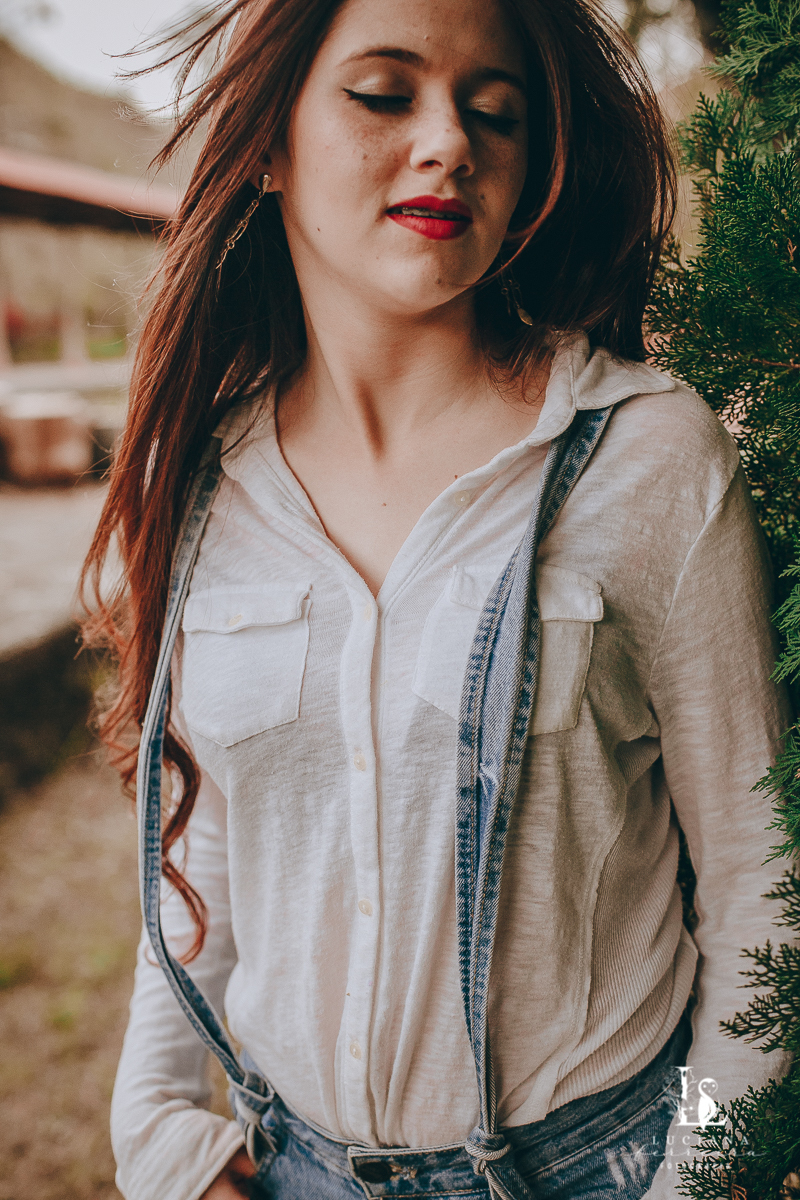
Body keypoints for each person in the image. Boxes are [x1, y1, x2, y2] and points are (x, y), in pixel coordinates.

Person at [82, 0, 792, 1197]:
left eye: (493, 112)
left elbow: (761, 897)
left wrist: (699, 1173)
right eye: (382, 94)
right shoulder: (203, 483)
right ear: (267, 142)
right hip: (286, 1167)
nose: (449, 142)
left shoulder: (646, 461)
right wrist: (157, 1127)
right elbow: (201, 854)